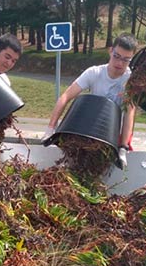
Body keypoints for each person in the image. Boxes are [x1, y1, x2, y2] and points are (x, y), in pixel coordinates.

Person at [43, 33, 138, 169]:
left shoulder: (130, 80)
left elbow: (130, 112)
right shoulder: (94, 73)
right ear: (110, 51)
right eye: (116, 56)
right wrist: (50, 128)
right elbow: (66, 96)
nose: (119, 63)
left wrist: (123, 147)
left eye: (126, 60)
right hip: (94, 128)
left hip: (115, 132)